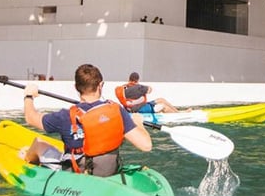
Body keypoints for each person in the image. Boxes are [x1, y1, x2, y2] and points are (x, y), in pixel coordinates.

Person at [18, 63, 152, 176]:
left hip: (78, 174)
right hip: (109, 171)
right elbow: (146, 146)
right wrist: (138, 123)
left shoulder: (65, 116)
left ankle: (28, 163)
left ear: (76, 88)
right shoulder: (117, 111)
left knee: (39, 143)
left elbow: (31, 117)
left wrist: (29, 96)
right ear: (101, 85)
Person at [114, 71, 180, 114]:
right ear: (137, 80)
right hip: (141, 109)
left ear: (129, 79)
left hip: (133, 107)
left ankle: (178, 112)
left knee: (161, 99)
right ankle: (177, 114)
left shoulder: (123, 88)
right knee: (164, 106)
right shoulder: (139, 88)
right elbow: (150, 90)